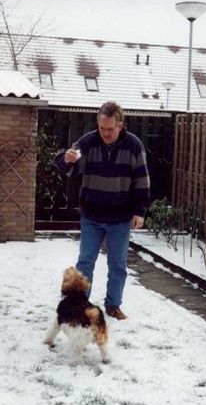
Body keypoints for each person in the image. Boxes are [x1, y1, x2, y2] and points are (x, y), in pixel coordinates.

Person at [54, 101, 150, 320]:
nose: (105, 133)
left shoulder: (134, 146)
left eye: (110, 129)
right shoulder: (87, 142)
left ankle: (113, 305)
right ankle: (80, 304)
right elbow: (65, 164)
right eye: (102, 128)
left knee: (118, 264)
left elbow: (142, 180)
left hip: (120, 217)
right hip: (92, 216)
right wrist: (65, 159)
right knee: (85, 261)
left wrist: (140, 211)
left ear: (120, 125)